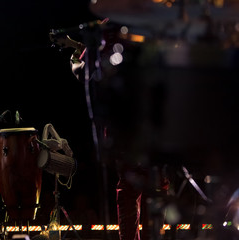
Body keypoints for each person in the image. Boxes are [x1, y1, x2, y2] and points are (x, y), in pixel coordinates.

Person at [65, 23, 169, 240]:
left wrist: (75, 60)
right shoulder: (158, 23)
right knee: (158, 189)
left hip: (123, 130)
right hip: (159, 125)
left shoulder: (107, 29)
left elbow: (84, 72)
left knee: (129, 192)